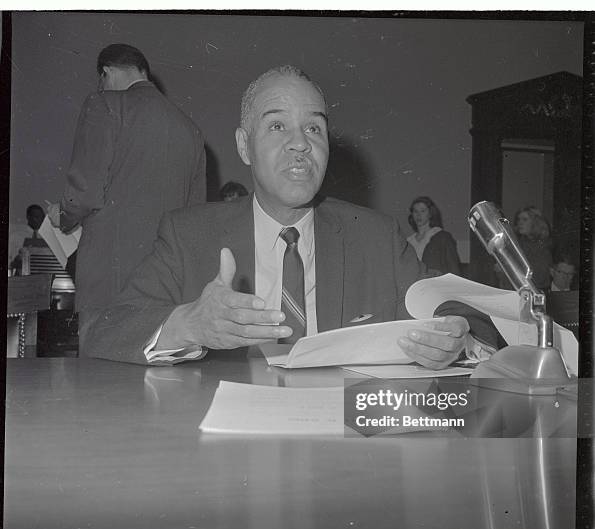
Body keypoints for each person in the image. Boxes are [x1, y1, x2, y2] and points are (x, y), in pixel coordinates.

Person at [83, 65, 500, 368]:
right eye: (278, 126)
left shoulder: (375, 237)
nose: (301, 144)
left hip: (346, 449)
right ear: (244, 147)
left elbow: (468, 318)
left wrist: (458, 341)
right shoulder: (188, 235)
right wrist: (188, 325)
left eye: (314, 128)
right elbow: (105, 329)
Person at [48, 43, 207, 338]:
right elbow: (193, 218)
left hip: (109, 277)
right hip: (166, 280)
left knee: (99, 373)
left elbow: (84, 192)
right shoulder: (191, 130)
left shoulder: (104, 102)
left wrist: (62, 215)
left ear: (106, 73)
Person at [498, 206, 552, 291]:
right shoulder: (516, 243)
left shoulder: (543, 246)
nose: (520, 223)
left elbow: (540, 278)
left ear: (535, 222)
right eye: (519, 219)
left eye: (525, 219)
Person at [406, 196, 461, 276]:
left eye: (423, 211)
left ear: (430, 213)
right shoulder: (409, 241)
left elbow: (453, 267)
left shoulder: (443, 237)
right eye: (415, 211)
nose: (418, 215)